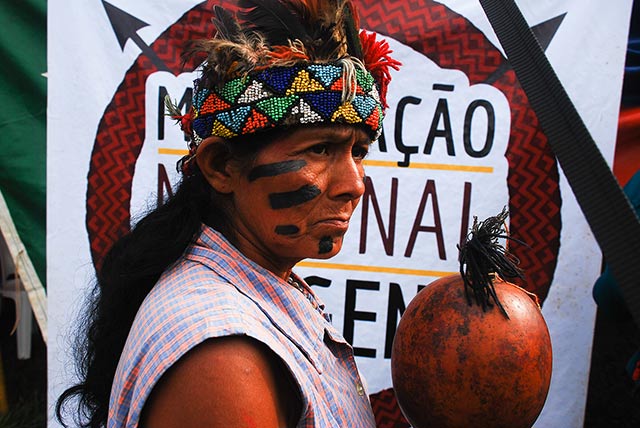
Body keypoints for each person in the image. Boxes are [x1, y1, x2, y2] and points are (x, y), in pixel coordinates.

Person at [56, 0, 400, 427]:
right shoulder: (224, 357)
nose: (354, 184)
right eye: (320, 149)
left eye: (358, 152)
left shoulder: (255, 292)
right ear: (220, 166)